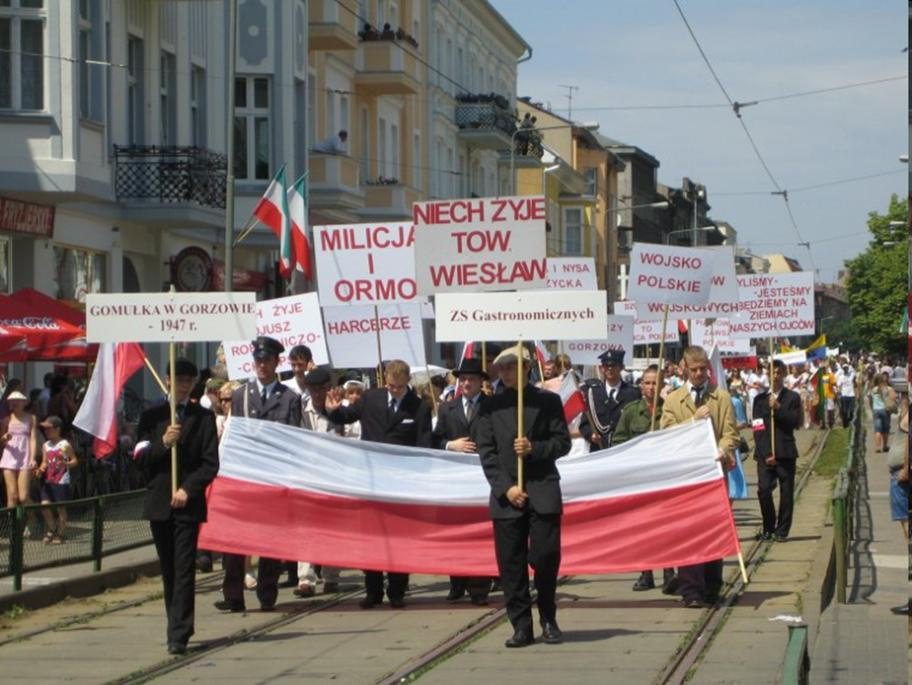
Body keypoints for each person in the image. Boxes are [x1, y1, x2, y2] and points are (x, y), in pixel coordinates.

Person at [473, 344, 571, 647]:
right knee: (510, 565)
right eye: (501, 368)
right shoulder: (489, 406)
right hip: (508, 497)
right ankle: (521, 625)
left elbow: (562, 442)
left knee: (545, 557)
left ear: (527, 369)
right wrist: (506, 488)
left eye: (510, 368)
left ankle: (548, 617)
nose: (504, 373)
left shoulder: (549, 401)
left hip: (542, 490)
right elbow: (486, 453)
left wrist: (534, 449)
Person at [326, 359, 432, 609]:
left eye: (399, 387)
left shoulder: (418, 407)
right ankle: (372, 590)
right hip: (370, 478)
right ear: (385, 380)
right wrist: (330, 409)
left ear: (408, 382)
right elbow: (346, 416)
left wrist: (421, 480)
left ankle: (397, 590)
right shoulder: (371, 398)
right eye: (391, 386)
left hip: (400, 483)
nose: (394, 390)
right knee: (371, 536)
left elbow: (424, 444)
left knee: (398, 538)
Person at [136, 359, 219, 655]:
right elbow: (139, 457)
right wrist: (163, 442)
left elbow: (210, 463)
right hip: (159, 502)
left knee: (184, 567)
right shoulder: (152, 416)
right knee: (168, 568)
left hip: (187, 504)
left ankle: (180, 632)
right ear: (167, 380)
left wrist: (188, 489)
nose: (184, 385)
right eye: (179, 379)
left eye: (189, 380)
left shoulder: (202, 417)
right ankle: (174, 621)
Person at [217, 337, 302, 613]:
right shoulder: (241, 394)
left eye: (266, 361)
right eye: (258, 361)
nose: (261, 366)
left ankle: (267, 591)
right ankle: (233, 594)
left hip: (273, 478)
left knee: (270, 540)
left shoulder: (290, 398)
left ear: (277, 362)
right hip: (244, 476)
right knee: (234, 538)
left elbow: (293, 439)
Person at [660, 346, 740, 608]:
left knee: (712, 529)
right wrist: (693, 420)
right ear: (684, 368)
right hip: (685, 476)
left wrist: (724, 448)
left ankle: (711, 586)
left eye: (702, 369)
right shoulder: (673, 400)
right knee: (687, 531)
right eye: (693, 370)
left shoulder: (722, 397)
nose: (698, 374)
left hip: (713, 474)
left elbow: (731, 433)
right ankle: (691, 590)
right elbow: (667, 434)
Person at [432, 357, 493, 606]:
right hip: (455, 481)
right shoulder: (448, 408)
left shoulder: (492, 406)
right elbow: (432, 442)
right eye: (463, 379)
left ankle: (480, 586)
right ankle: (456, 582)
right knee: (456, 532)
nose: (466, 383)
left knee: (482, 533)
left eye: (471, 379)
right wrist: (450, 445)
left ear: (480, 382)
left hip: (485, 477)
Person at [612, 365, 678, 593]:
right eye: (647, 383)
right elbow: (618, 441)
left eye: (655, 383)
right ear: (641, 386)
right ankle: (646, 572)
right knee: (643, 527)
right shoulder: (631, 411)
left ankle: (669, 572)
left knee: (666, 527)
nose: (651, 387)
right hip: (640, 479)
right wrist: (638, 449)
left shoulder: (671, 409)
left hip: (664, 477)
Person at [295, 367, 342, 597]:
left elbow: (351, 438)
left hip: (333, 478)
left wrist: (336, 414)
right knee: (306, 528)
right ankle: (306, 578)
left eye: (321, 389)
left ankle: (331, 576)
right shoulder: (300, 412)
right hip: (307, 477)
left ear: (328, 389)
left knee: (332, 528)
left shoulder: (339, 412)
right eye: (312, 389)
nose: (317, 393)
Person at [752, 360, 803, 542]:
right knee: (764, 491)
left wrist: (779, 409)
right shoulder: (759, 400)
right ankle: (768, 526)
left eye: (779, 372)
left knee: (786, 492)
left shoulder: (792, 398)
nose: (775, 376)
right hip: (766, 454)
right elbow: (757, 428)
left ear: (783, 374)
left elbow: (795, 422)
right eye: (772, 372)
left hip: (786, 452)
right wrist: (766, 453)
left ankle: (782, 531)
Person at [579, 349, 641, 450]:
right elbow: (584, 424)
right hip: (599, 448)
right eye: (606, 366)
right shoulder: (592, 393)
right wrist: (591, 435)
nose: (609, 369)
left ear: (621, 367)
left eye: (613, 366)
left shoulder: (632, 393)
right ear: (601, 368)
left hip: (624, 447)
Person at [36, 415, 77, 543]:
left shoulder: (64, 444)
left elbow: (74, 460)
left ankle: (60, 532)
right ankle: (52, 527)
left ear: (57, 429)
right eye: (45, 429)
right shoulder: (45, 445)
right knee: (44, 505)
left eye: (49, 429)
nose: (46, 432)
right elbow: (45, 462)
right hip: (48, 479)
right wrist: (40, 469)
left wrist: (66, 464)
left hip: (61, 480)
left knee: (60, 507)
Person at [0, 390, 38, 512]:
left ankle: (30, 520)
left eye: (18, 401)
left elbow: (33, 439)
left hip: (24, 456)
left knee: (23, 497)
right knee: (12, 495)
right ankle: (11, 526)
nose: (15, 403)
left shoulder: (31, 418)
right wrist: (4, 438)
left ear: (24, 403)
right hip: (9, 456)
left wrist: (32, 458)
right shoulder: (6, 420)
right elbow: (1, 440)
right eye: (12, 401)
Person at [868, 371, 897, 452]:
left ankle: (877, 447)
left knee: (877, 430)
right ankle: (884, 446)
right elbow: (894, 397)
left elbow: (870, 400)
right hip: (885, 410)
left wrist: (872, 408)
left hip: (876, 410)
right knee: (885, 429)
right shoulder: (887, 388)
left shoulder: (873, 389)